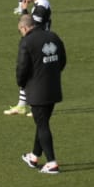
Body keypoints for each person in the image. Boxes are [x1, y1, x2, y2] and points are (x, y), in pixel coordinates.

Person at [16, 9, 67, 174]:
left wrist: (22, 83)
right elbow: (63, 61)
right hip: (53, 87)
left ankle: (52, 163)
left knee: (42, 124)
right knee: (42, 122)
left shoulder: (27, 42)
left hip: (37, 90)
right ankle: (33, 157)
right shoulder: (53, 36)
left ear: (24, 28)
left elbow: (22, 68)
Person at [6, 0, 53, 115]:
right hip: (38, 42)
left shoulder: (41, 6)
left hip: (40, 44)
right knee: (28, 72)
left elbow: (33, 27)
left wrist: (25, 11)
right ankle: (22, 105)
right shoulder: (40, 4)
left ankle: (38, 106)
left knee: (35, 75)